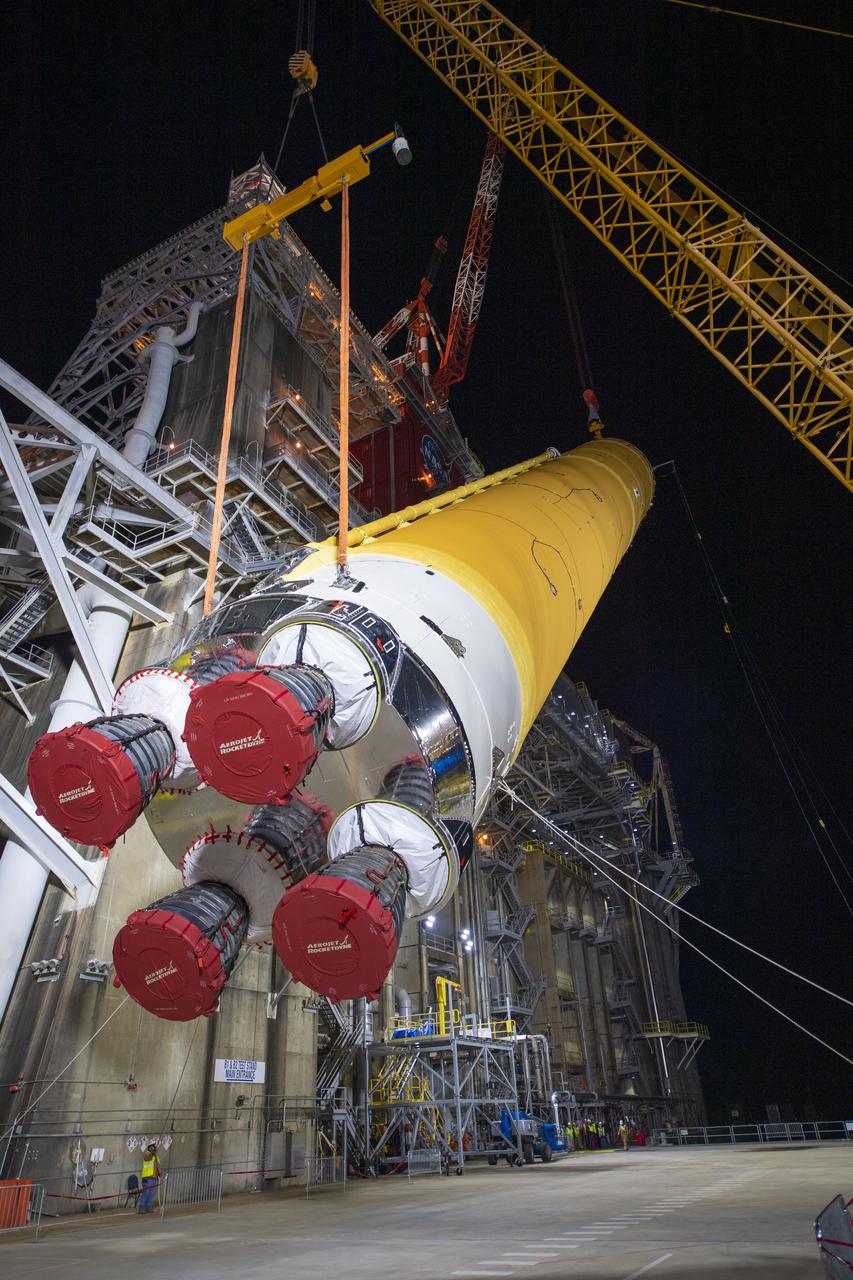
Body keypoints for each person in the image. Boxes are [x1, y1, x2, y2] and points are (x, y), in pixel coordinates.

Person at [138, 1143, 161, 1214]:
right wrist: (151, 1152)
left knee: (151, 1195)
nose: (154, 1149)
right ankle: (142, 1208)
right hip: (147, 1178)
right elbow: (147, 1158)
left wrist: (159, 1172)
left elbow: (158, 1166)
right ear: (149, 1149)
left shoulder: (156, 1157)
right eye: (152, 1148)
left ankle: (148, 1207)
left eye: (154, 1148)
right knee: (146, 1194)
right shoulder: (147, 1155)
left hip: (155, 1179)